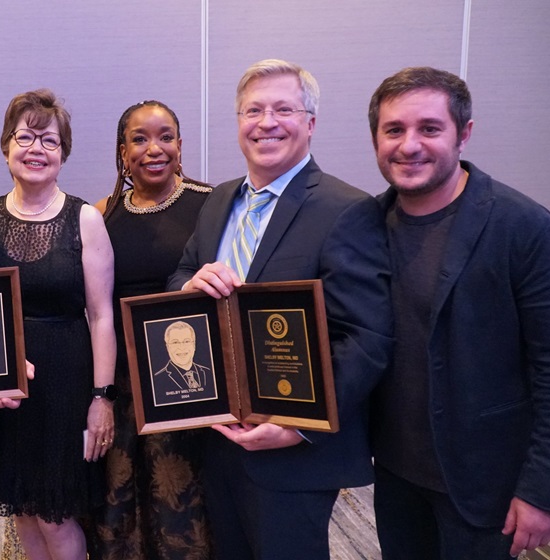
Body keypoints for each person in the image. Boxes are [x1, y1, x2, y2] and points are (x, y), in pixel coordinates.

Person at [167, 59, 393, 559]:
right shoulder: (219, 199)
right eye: (253, 110)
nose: (266, 122)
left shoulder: (347, 208)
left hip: (291, 446)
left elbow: (366, 338)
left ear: (309, 122)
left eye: (283, 108)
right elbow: (180, 276)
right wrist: (189, 289)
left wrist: (300, 425)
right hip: (220, 433)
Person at [368, 66, 550, 559]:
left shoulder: (524, 228)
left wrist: (546, 490)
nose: (409, 145)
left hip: (485, 483)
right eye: (394, 129)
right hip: (395, 473)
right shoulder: (368, 223)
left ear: (464, 133)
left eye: (429, 128)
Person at [0, 88, 116, 560]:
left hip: (66, 382)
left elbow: (101, 317)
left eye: (50, 141)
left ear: (63, 154)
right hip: (7, 384)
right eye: (26, 137)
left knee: (55, 515)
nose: (36, 148)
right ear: (6, 146)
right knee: (22, 508)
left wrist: (102, 398)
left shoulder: (85, 219)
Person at [91, 100, 213, 559]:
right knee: (122, 511)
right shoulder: (104, 213)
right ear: (123, 152)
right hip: (123, 386)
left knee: (185, 509)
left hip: (190, 385)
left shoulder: (211, 204)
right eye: (139, 138)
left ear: (180, 146)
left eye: (165, 136)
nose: (153, 148)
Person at [152, 321, 212, 398]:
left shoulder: (209, 373)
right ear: (167, 347)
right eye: (175, 342)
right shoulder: (157, 380)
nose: (182, 347)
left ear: (194, 345)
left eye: (186, 341)